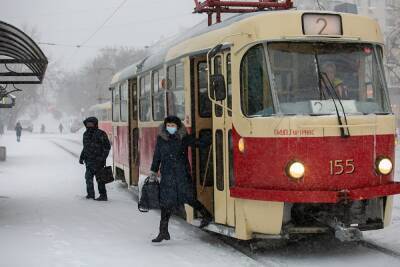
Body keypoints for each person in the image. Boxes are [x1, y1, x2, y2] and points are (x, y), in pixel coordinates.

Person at [150, 115, 212, 243]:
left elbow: (199, 143)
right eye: (168, 125)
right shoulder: (161, 138)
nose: (170, 128)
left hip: (181, 173)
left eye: (173, 125)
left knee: (189, 198)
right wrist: (153, 171)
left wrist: (211, 136)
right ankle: (163, 232)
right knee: (166, 203)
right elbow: (157, 156)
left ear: (177, 126)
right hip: (167, 175)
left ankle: (207, 215)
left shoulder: (183, 138)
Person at [79, 117, 111, 201]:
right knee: (88, 178)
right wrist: (81, 157)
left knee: (100, 179)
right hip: (88, 162)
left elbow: (107, 147)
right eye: (88, 124)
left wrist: (102, 158)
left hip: (98, 162)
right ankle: (90, 195)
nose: (89, 126)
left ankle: (103, 195)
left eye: (91, 124)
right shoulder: (85, 134)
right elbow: (85, 147)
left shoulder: (101, 134)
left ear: (95, 124)